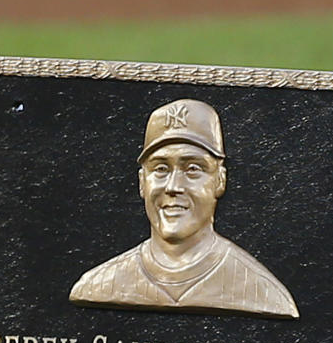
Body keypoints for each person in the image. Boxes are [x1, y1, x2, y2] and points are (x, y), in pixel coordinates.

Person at [70, 98, 298, 318]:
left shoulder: (262, 294)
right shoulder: (99, 285)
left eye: (192, 169)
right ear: (142, 182)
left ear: (219, 180)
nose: (173, 187)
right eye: (160, 169)